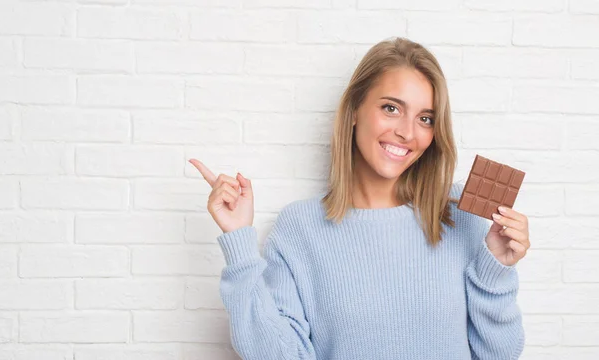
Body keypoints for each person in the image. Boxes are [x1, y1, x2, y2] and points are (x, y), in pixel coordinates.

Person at [190, 37, 529, 360]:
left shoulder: (458, 213)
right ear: (354, 110)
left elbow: (497, 354)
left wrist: (495, 269)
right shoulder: (301, 227)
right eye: (391, 108)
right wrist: (239, 243)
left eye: (425, 118)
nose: (407, 132)